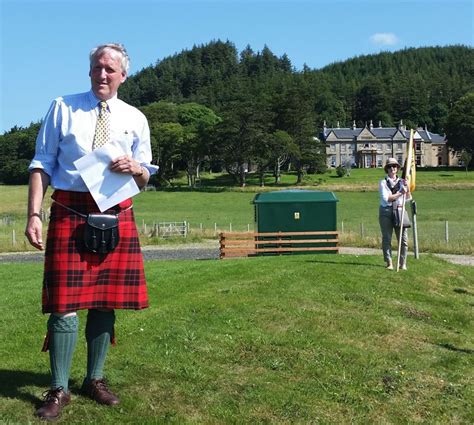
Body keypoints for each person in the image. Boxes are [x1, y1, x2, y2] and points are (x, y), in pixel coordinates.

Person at [25, 43, 157, 421]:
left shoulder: (135, 117)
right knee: (64, 303)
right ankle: (59, 387)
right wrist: (33, 213)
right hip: (69, 209)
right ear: (89, 71)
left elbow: (146, 176)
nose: (102, 75)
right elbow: (41, 164)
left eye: (110, 70)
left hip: (116, 211)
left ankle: (94, 379)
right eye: (97, 68)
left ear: (123, 76)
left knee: (105, 300)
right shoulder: (63, 107)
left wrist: (137, 168)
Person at [379, 157, 410, 270]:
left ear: (397, 168)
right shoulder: (383, 182)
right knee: (387, 238)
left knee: (403, 239)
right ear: (387, 169)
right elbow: (387, 198)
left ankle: (403, 263)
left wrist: (407, 188)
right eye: (390, 166)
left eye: (395, 166)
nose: (393, 168)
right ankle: (389, 262)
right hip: (386, 211)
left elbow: (408, 198)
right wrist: (400, 192)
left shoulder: (402, 181)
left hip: (400, 210)